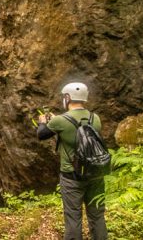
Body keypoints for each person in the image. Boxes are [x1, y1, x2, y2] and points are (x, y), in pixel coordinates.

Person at [36, 82, 108, 240]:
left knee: (73, 218)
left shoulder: (60, 121)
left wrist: (43, 121)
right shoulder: (95, 118)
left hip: (71, 176)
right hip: (95, 174)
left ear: (67, 98)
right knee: (97, 216)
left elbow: (41, 135)